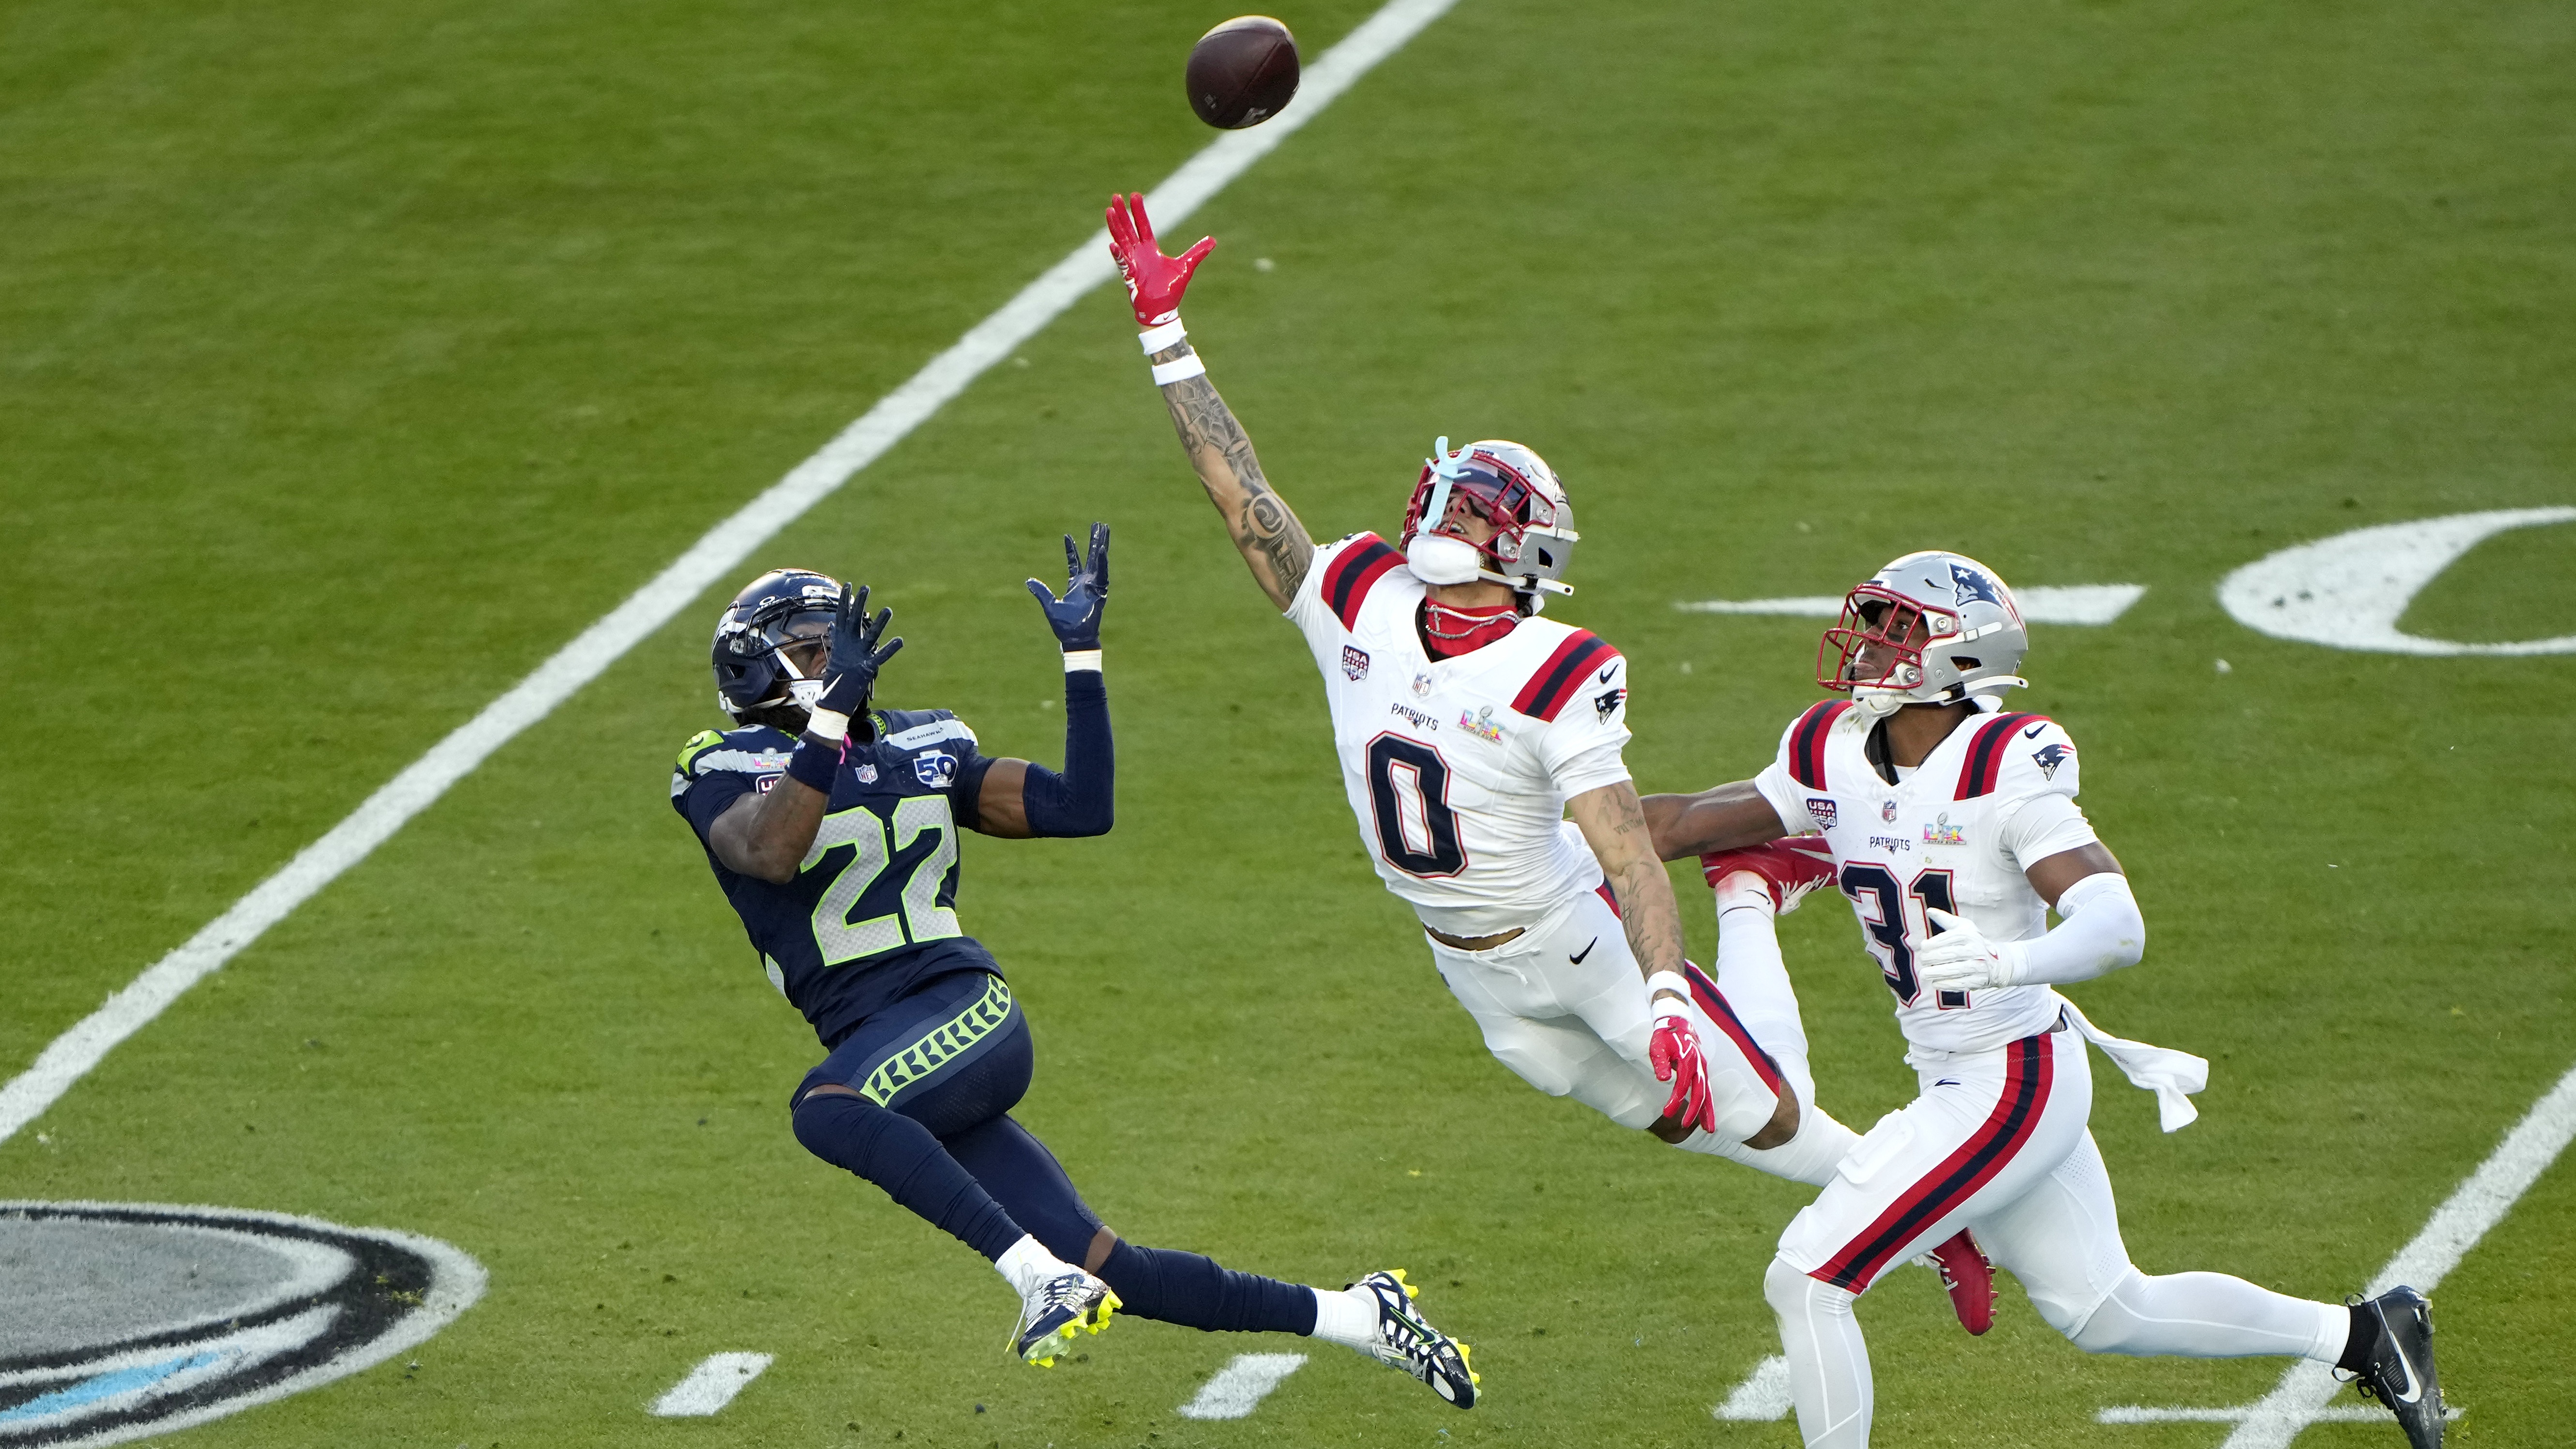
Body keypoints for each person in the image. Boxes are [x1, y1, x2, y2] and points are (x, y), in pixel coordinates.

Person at [1100, 192, 1993, 1330]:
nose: (1456, 517)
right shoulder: (1356, 596)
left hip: (1574, 938)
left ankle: (1763, 908)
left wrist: (1665, 991)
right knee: (1664, 1118)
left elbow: (1624, 849)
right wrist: (1163, 334)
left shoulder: (1552, 662)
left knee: (1763, 1108)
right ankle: (1925, 1218)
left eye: (1476, 508)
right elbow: (1241, 494)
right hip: (1466, 965)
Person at [1641, 550, 2445, 1449]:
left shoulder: (2004, 763)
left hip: (2011, 1075)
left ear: (1955, 655)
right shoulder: (1830, 747)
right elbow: (1675, 826)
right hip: (1964, 1071)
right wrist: (1520, 839)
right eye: (1872, 623)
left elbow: (2117, 923)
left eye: (1894, 627)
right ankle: (2366, 1333)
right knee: (2104, 1306)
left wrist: (2011, 961)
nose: (1866, 644)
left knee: (1808, 1278)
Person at [667, 529, 1478, 1406]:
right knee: (1117, 1268)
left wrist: (1082, 658)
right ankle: (1362, 1314)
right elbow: (773, 849)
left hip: (957, 1010)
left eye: (837, 644)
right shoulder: (720, 764)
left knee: (827, 1110)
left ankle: (1035, 1279)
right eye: (811, 649)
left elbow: (1078, 807)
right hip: (895, 1054)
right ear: (752, 672)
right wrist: (829, 724)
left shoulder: (922, 741)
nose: (836, 662)